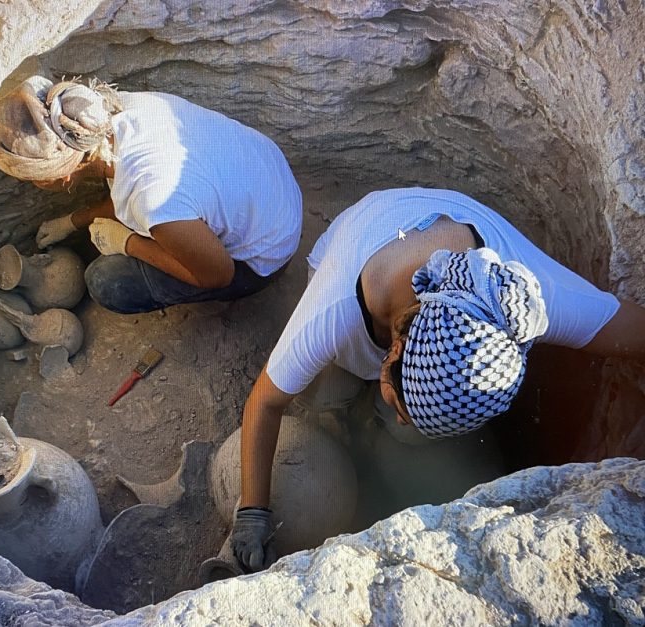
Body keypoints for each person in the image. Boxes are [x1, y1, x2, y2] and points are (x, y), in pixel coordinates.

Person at [230, 187, 645, 571]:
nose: (403, 416)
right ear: (392, 352)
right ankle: (354, 413)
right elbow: (264, 402)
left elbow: (634, 331)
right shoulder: (331, 313)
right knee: (326, 394)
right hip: (362, 234)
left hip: (422, 253)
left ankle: (391, 429)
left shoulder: (527, 300)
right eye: (402, 404)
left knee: (411, 439)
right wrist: (252, 512)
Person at [0, 76, 302, 313]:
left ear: (62, 175)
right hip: (270, 187)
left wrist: (128, 243)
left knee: (106, 280)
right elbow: (138, 188)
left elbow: (218, 275)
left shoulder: (152, 198)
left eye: (33, 180)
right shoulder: (116, 111)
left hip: (264, 255)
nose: (31, 185)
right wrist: (74, 220)